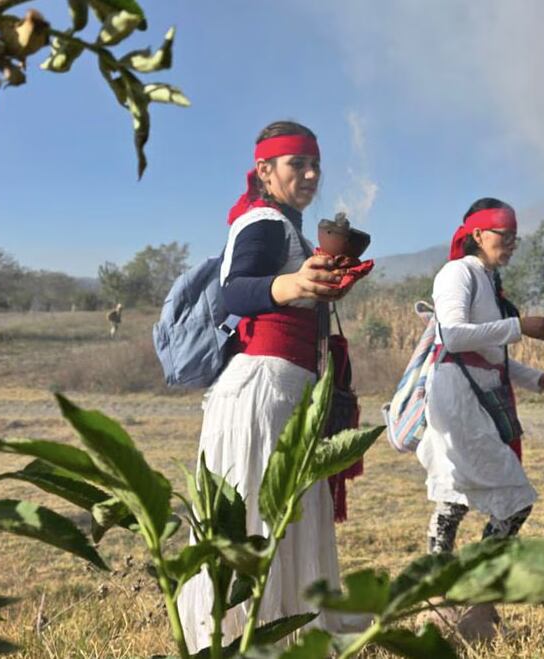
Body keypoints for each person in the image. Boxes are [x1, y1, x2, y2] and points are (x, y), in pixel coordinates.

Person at [178, 121, 355, 651]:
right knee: (257, 509)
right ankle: (236, 632)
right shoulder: (262, 220)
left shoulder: (292, 229)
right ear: (264, 170)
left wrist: (318, 280)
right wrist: (297, 283)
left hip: (290, 387)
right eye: (297, 163)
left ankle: (285, 626)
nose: (310, 173)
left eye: (314, 164)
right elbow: (235, 292)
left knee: (283, 511)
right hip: (262, 388)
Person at [418, 197, 544, 554]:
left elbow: (486, 357)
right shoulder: (459, 272)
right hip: (458, 400)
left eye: (516, 236)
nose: (512, 244)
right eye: (506, 235)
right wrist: (520, 326)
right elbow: (453, 335)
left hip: (473, 396)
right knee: (514, 501)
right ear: (480, 234)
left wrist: (537, 380)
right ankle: (475, 587)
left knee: (455, 498)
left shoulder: (487, 279)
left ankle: (442, 589)